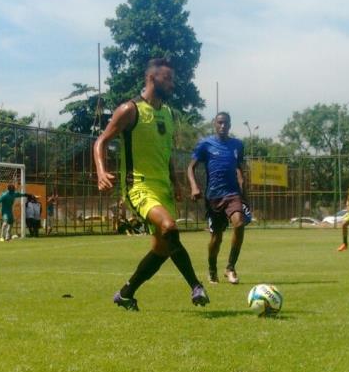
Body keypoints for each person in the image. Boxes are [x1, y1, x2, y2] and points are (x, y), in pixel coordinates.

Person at [93, 58, 209, 311]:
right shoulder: (129, 110)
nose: (172, 84)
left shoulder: (167, 114)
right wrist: (101, 171)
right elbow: (101, 141)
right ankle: (196, 286)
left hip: (163, 189)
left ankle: (125, 294)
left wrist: (176, 182)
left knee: (162, 249)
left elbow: (165, 153)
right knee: (169, 228)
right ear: (151, 78)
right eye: (168, 79)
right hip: (138, 186)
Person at [187, 111, 251, 285]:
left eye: (226, 123)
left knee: (239, 224)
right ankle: (212, 270)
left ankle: (230, 268)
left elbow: (239, 167)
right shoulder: (205, 144)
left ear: (230, 125)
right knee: (217, 238)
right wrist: (194, 186)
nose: (223, 126)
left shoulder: (237, 145)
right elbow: (190, 168)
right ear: (215, 124)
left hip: (233, 194)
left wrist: (242, 186)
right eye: (220, 123)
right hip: (214, 196)